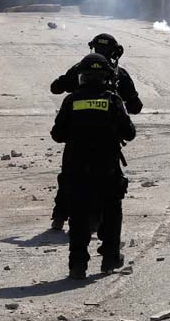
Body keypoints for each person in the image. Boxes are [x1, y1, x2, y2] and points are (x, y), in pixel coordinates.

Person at [51, 54, 136, 280]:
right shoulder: (113, 100)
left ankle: (77, 265)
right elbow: (130, 133)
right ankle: (110, 258)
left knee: (78, 217)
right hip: (106, 168)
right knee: (111, 212)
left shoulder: (71, 101)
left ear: (82, 78)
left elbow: (57, 135)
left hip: (76, 169)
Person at [50, 33, 142, 230]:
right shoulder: (119, 76)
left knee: (69, 175)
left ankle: (59, 216)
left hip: (78, 142)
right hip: (107, 143)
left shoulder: (81, 69)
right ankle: (109, 231)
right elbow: (135, 108)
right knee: (110, 182)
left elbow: (56, 88)